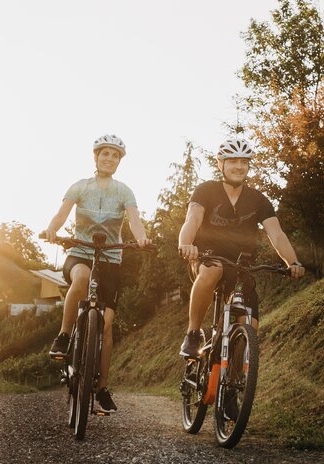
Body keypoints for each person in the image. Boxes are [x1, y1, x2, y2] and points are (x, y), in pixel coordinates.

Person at [41, 134, 151, 413]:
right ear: (95, 156)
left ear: (119, 161)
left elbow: (135, 221)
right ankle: (65, 336)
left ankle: (101, 388)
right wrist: (52, 229)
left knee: (106, 324)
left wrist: (142, 238)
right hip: (80, 252)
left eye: (115, 155)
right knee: (80, 279)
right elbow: (61, 215)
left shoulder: (124, 191)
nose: (110, 159)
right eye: (105, 154)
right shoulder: (80, 187)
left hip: (111, 259)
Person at [178, 137, 305, 359]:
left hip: (241, 265)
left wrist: (292, 262)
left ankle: (233, 385)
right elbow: (192, 220)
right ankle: (193, 333)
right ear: (221, 164)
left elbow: (276, 233)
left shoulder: (258, 200)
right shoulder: (206, 190)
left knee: (250, 325)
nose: (239, 166)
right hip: (206, 256)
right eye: (233, 161)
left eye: (244, 162)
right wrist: (186, 244)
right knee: (213, 269)